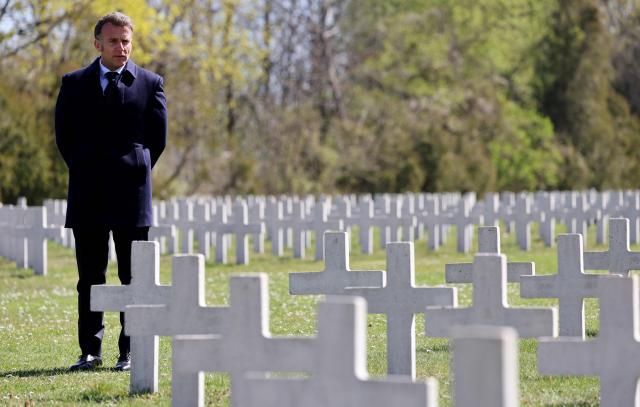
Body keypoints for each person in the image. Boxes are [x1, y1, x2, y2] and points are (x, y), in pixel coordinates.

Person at [55, 11, 167, 371]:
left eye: (126, 41)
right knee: (90, 276)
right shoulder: (73, 84)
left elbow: (157, 140)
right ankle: (90, 350)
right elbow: (64, 139)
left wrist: (133, 169)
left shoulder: (150, 83)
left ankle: (129, 351)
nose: (122, 47)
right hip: (88, 194)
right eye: (114, 40)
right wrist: (88, 168)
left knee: (132, 277)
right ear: (97, 43)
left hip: (132, 195)